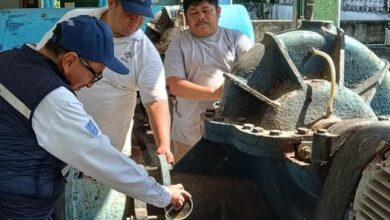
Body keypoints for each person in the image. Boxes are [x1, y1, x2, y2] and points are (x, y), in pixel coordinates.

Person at [0, 15, 190, 219]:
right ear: (70, 60)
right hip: (18, 208)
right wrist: (163, 195)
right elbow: (102, 158)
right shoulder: (52, 97)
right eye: (96, 74)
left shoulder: (8, 59)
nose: (92, 84)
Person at [38, 0, 174, 164]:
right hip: (57, 141)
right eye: (130, 12)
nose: (136, 20)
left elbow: (155, 100)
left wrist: (164, 145)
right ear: (112, 3)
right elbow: (44, 57)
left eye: (142, 15)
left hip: (107, 151)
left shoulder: (144, 52)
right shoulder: (75, 20)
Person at [164, 0, 254, 162]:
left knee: (229, 183)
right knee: (186, 182)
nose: (201, 17)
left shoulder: (237, 39)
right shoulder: (179, 43)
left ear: (218, 12)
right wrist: (216, 93)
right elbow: (175, 85)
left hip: (231, 132)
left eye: (206, 10)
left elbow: (254, 70)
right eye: (194, 12)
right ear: (186, 17)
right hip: (188, 134)